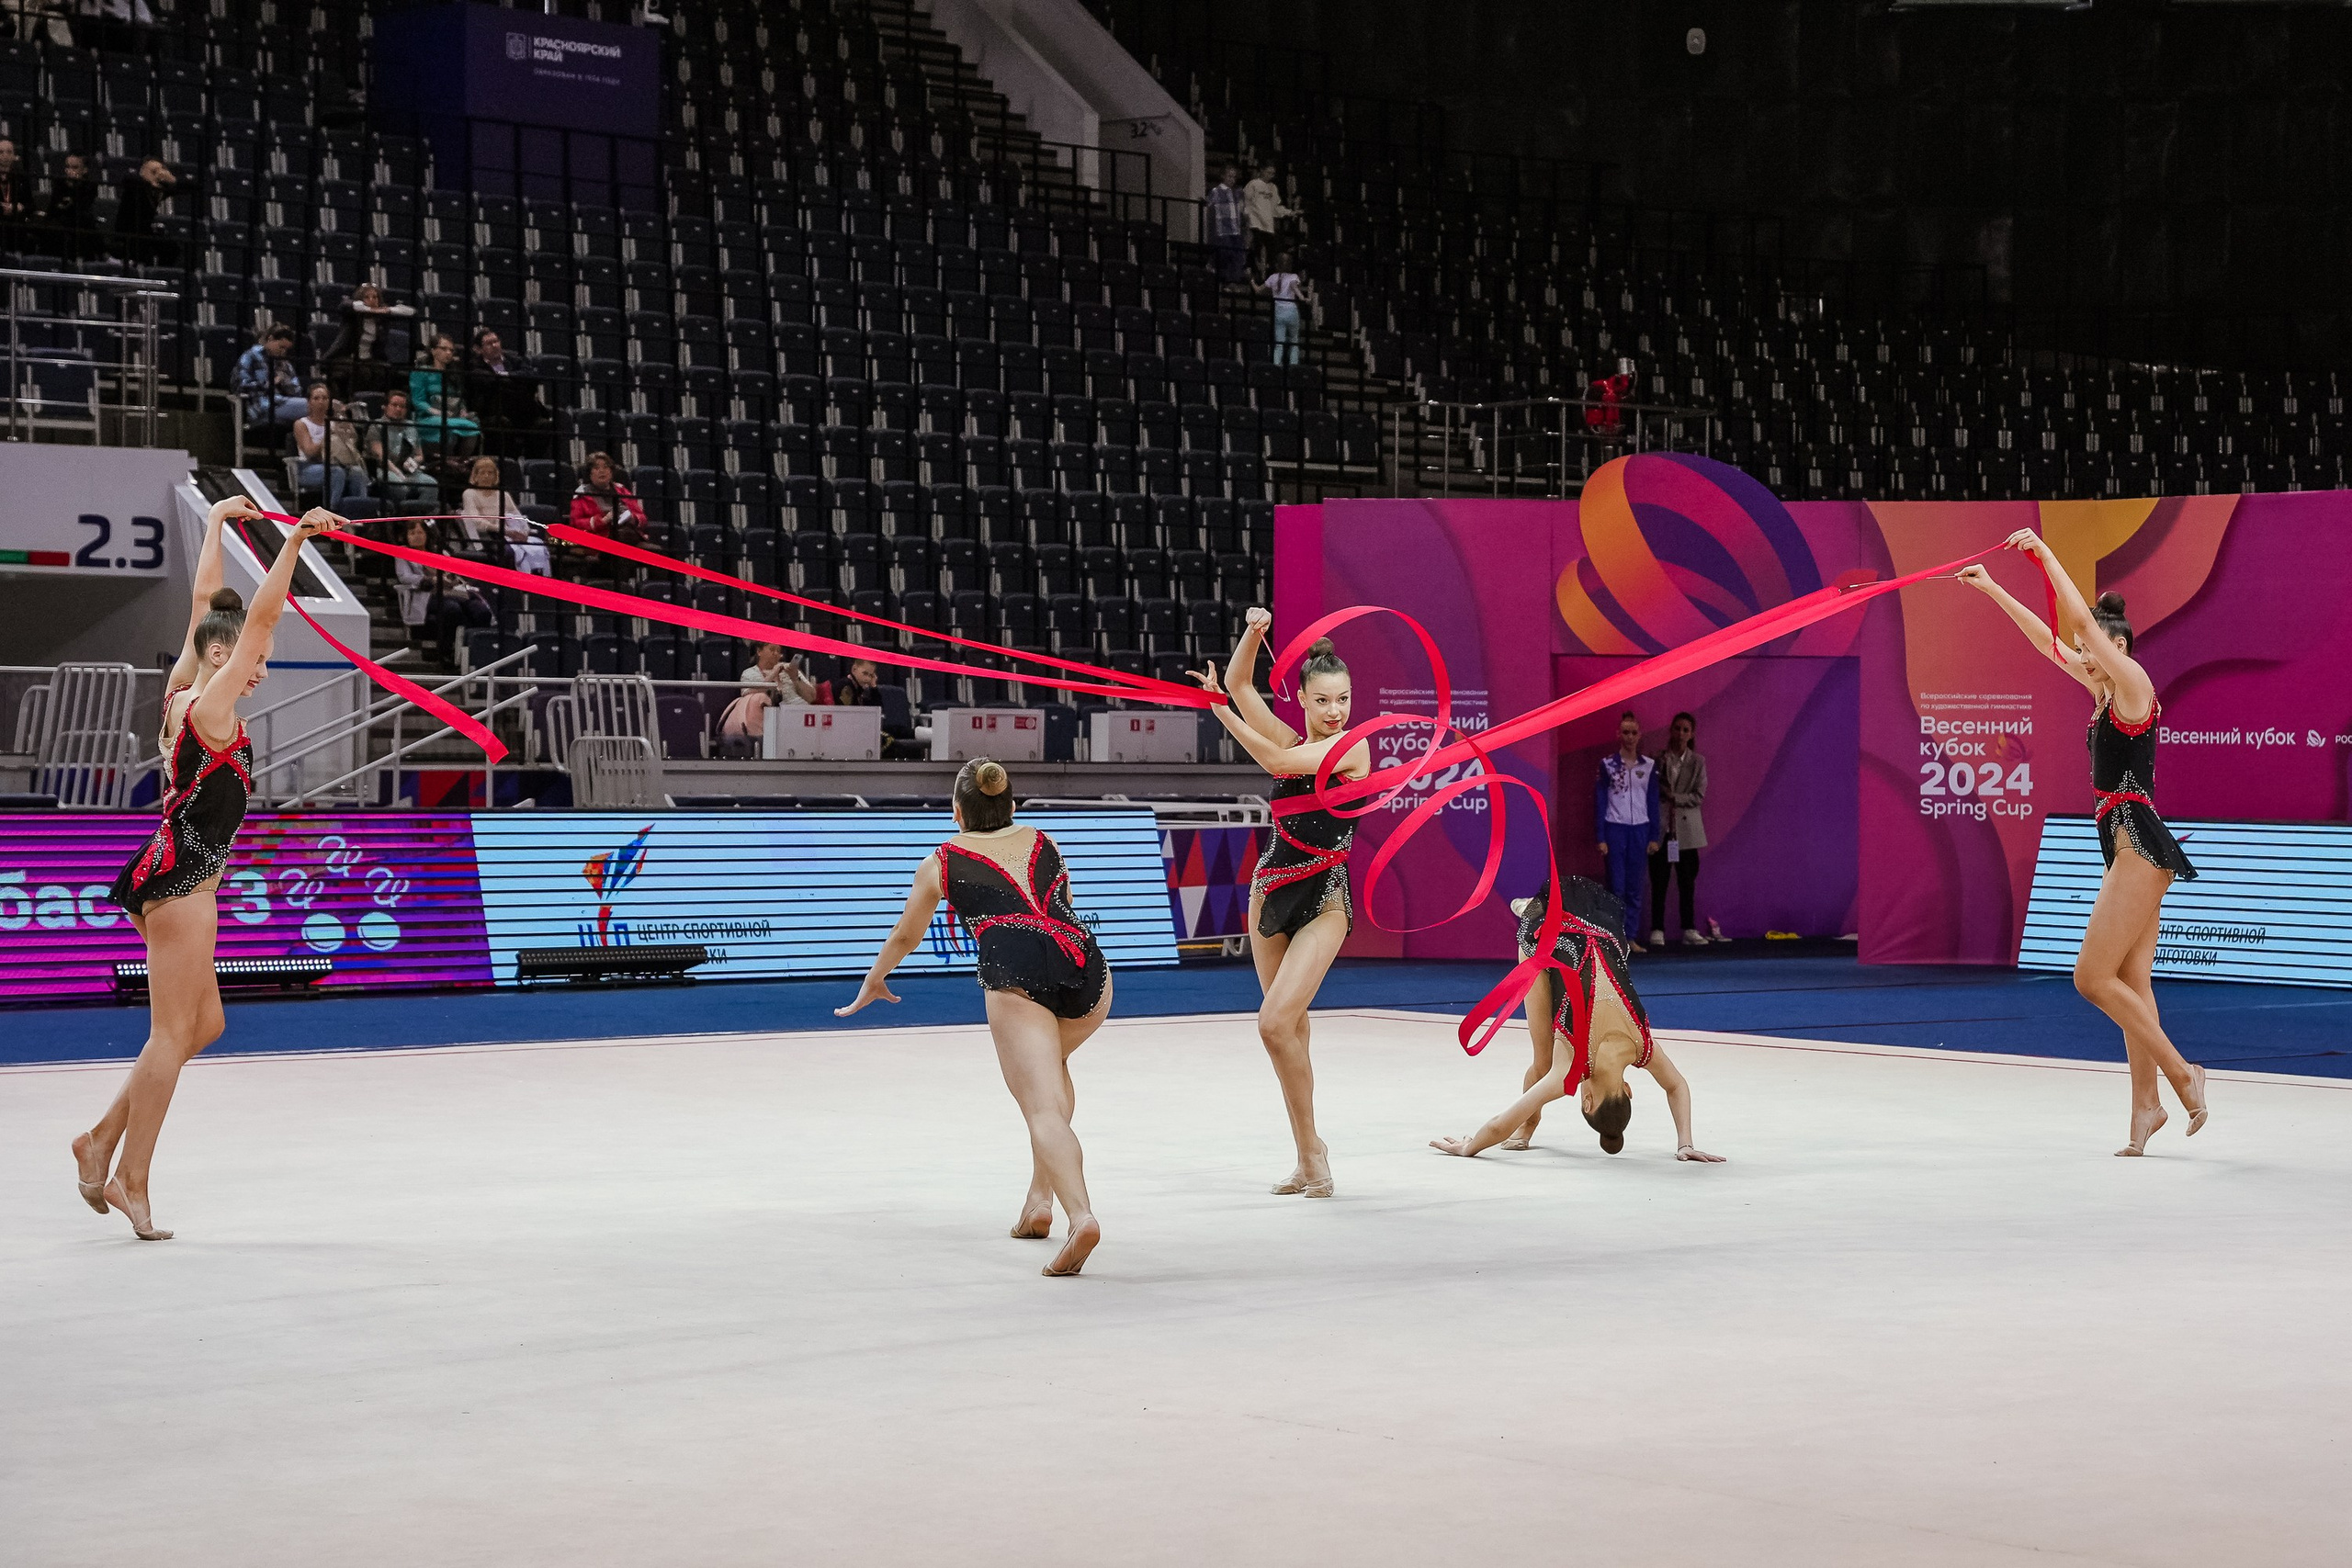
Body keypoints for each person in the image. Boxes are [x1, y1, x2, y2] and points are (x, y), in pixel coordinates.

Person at [73, 499, 341, 1240]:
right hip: (182, 881)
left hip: (186, 879)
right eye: (255, 661)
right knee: (170, 1033)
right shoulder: (211, 708)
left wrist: (219, 525)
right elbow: (256, 618)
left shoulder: (183, 693)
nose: (261, 669)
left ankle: (99, 1138)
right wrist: (293, 539)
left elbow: (205, 605)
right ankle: (128, 1174)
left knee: (206, 1023)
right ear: (223, 657)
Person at [1959, 536, 2208, 1155]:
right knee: (2131, 979)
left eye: (2094, 645)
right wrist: (1992, 590)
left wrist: (2043, 554)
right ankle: (2145, 1108)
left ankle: (2183, 1073)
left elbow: (2074, 625)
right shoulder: (2102, 694)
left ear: (2117, 647)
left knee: (2091, 977)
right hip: (2127, 843)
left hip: (2139, 841)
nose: (2082, 655)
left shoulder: (2132, 685)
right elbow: (2049, 639)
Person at [836, 758, 1112, 1277]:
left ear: (957, 811)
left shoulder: (941, 861)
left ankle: (1082, 1216)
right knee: (1052, 1081)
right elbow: (1062, 905)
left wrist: (875, 979)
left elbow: (906, 936)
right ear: (1010, 806)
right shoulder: (1042, 839)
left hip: (1016, 976)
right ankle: (1038, 1203)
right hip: (1090, 972)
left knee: (1042, 1108)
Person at [1191, 609, 1370, 1199]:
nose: (1336, 711)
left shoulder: (1352, 751)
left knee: (1272, 1024)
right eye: (1323, 701)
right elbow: (1242, 685)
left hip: (1324, 898)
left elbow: (1274, 763)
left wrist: (1219, 711)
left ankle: (1314, 1149)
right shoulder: (1294, 734)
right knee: (1293, 1032)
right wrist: (1252, 635)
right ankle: (1308, 1158)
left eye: (1342, 698)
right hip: (1270, 890)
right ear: (1303, 700)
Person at [1429, 876, 1724, 1163]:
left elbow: (1676, 1086)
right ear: (1587, 1102)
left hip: (1600, 930)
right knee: (1543, 1063)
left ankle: (1537, 908)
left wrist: (1685, 1143)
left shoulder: (1642, 1045)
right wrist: (1468, 1148)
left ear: (1628, 1090)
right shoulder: (1572, 1067)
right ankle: (1527, 1127)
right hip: (1545, 942)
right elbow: (1498, 1125)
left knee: (1547, 1061)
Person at [1595, 710, 1659, 953]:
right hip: (1615, 829)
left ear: (1640, 735)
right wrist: (1600, 836)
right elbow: (1600, 800)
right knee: (1617, 887)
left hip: (1640, 830)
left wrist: (1654, 835)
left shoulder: (1649, 765)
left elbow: (1652, 801)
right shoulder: (1608, 765)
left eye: (1634, 733)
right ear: (1618, 734)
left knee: (1634, 887)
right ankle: (1614, 939)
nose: (1630, 737)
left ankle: (1630, 938)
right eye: (1625, 733)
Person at [392, 517, 491, 667]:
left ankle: (473, 648)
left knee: (480, 611)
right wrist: (429, 580)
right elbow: (404, 577)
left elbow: (453, 573)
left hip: (451, 592)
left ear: (426, 534)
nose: (416, 536)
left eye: (420, 532)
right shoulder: (403, 553)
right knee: (452, 609)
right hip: (425, 595)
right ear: (406, 536)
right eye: (412, 533)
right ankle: (447, 650)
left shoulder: (440, 552)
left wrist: (450, 579)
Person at [1649, 710, 1709, 947]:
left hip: (1689, 831)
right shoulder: (1658, 759)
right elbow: (1651, 791)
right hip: (1662, 829)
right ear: (1671, 731)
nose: (1681, 733)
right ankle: (1657, 929)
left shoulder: (1698, 762)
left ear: (1691, 734)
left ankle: (1689, 928)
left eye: (1686, 730)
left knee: (1687, 882)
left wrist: (1674, 796)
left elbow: (1698, 796)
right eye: (1677, 728)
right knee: (1659, 880)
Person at [321, 281, 415, 394]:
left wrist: (387, 310)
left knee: (383, 371)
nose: (372, 300)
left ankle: (375, 401)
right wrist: (370, 309)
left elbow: (411, 311)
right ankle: (354, 399)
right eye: (367, 297)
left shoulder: (381, 318)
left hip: (371, 359)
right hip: (346, 356)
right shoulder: (352, 316)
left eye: (375, 297)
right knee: (363, 372)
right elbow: (344, 305)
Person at [468, 327, 550, 455]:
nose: (495, 345)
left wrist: (505, 376)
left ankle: (532, 465)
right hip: (494, 412)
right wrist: (517, 382)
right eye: (489, 343)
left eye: (496, 341)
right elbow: (487, 381)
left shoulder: (514, 359)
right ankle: (508, 464)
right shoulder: (475, 365)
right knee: (502, 423)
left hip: (521, 411)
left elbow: (531, 376)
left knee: (543, 424)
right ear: (478, 349)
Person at [458, 455, 547, 574]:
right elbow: (477, 522)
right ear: (475, 475)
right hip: (486, 537)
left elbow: (518, 516)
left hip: (507, 535)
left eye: (490, 473)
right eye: (482, 473)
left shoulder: (503, 495)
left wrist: (524, 531)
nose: (486, 476)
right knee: (508, 552)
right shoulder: (470, 494)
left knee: (538, 548)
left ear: (496, 476)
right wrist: (504, 530)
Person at [719, 640, 818, 744]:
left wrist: (795, 678)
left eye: (778, 651)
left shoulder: (791, 670)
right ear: (759, 651)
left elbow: (811, 697)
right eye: (772, 649)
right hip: (772, 720)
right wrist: (774, 673)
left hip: (800, 714)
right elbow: (749, 695)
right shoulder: (749, 673)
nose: (776, 654)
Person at [291, 380, 369, 511]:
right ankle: (331, 511)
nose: (321, 402)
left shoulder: (336, 422)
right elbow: (310, 452)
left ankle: (360, 513)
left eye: (325, 398)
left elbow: (353, 443)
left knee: (358, 472)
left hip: (336, 463)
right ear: (309, 402)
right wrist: (327, 434)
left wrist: (345, 423)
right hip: (309, 467)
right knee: (336, 472)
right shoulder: (301, 424)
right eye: (316, 398)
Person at [408, 333, 481, 462]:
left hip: (452, 414)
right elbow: (418, 401)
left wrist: (463, 409)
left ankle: (461, 461)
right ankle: (443, 461)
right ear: (433, 351)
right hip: (428, 417)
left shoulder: (454, 374)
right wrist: (437, 412)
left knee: (473, 424)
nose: (449, 353)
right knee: (446, 424)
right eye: (444, 349)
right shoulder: (421, 372)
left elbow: (460, 398)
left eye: (451, 350)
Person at [367, 387, 440, 511]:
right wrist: (399, 473)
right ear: (385, 407)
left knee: (431, 484)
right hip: (385, 469)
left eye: (402, 406)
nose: (398, 409)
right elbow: (381, 457)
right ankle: (400, 519)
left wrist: (413, 462)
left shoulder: (411, 427)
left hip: (408, 471)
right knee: (400, 486)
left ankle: (419, 519)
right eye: (394, 405)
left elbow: (420, 455)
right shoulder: (376, 426)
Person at [233, 323, 307, 435]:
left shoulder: (285, 364)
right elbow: (241, 386)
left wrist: (284, 382)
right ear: (270, 339)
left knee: (320, 406)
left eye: (287, 349)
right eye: (281, 347)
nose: (283, 352)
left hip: (282, 403)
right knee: (316, 407)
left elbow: (297, 392)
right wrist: (268, 384)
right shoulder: (250, 356)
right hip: (261, 406)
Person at [568, 451, 647, 543]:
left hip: (628, 534)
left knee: (656, 551)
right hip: (599, 539)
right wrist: (603, 521)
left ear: (611, 472)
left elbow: (642, 517)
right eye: (596, 468)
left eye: (605, 467)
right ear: (590, 474)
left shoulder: (621, 490)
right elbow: (575, 523)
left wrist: (633, 519)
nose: (602, 471)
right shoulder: (582, 493)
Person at [109, 155, 175, 265]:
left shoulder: (159, 190)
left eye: (161, 170)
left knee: (171, 248)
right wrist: (151, 183)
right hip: (128, 233)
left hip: (145, 233)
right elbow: (128, 180)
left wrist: (173, 180)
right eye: (154, 171)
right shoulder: (135, 186)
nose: (158, 175)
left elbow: (192, 186)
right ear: (143, 172)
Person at [1256, 252, 1310, 367]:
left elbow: (1258, 291)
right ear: (1290, 266)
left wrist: (1251, 280)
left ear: (1277, 265)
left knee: (1279, 343)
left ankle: (1276, 366)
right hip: (1292, 311)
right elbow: (1294, 287)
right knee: (1294, 341)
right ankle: (1293, 366)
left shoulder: (1272, 278)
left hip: (1279, 313)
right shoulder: (1293, 277)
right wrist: (1302, 298)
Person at [40, 151, 96, 262]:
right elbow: (54, 209)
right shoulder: (60, 183)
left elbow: (81, 208)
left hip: (78, 222)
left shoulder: (90, 185)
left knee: (86, 224)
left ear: (84, 170)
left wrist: (74, 187)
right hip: (60, 222)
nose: (70, 171)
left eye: (75, 167)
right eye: (68, 167)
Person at [1241, 164, 1296, 275]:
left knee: (1271, 252)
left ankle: (1268, 274)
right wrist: (1247, 216)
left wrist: (1289, 212)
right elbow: (1245, 202)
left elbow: (1276, 208)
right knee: (1255, 249)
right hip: (1255, 223)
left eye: (1273, 174)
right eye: (1268, 172)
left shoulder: (1273, 188)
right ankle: (1251, 270)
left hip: (1268, 226)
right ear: (1261, 170)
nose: (1271, 176)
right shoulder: (1253, 184)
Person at [1204, 163, 1248, 286]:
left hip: (1236, 229)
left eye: (1234, 177)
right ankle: (1214, 267)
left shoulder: (1237, 193)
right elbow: (1208, 203)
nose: (1232, 180)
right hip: (1223, 229)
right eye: (1229, 176)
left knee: (1238, 255)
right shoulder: (1216, 191)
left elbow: (1241, 209)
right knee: (1225, 252)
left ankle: (1232, 281)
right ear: (1223, 176)